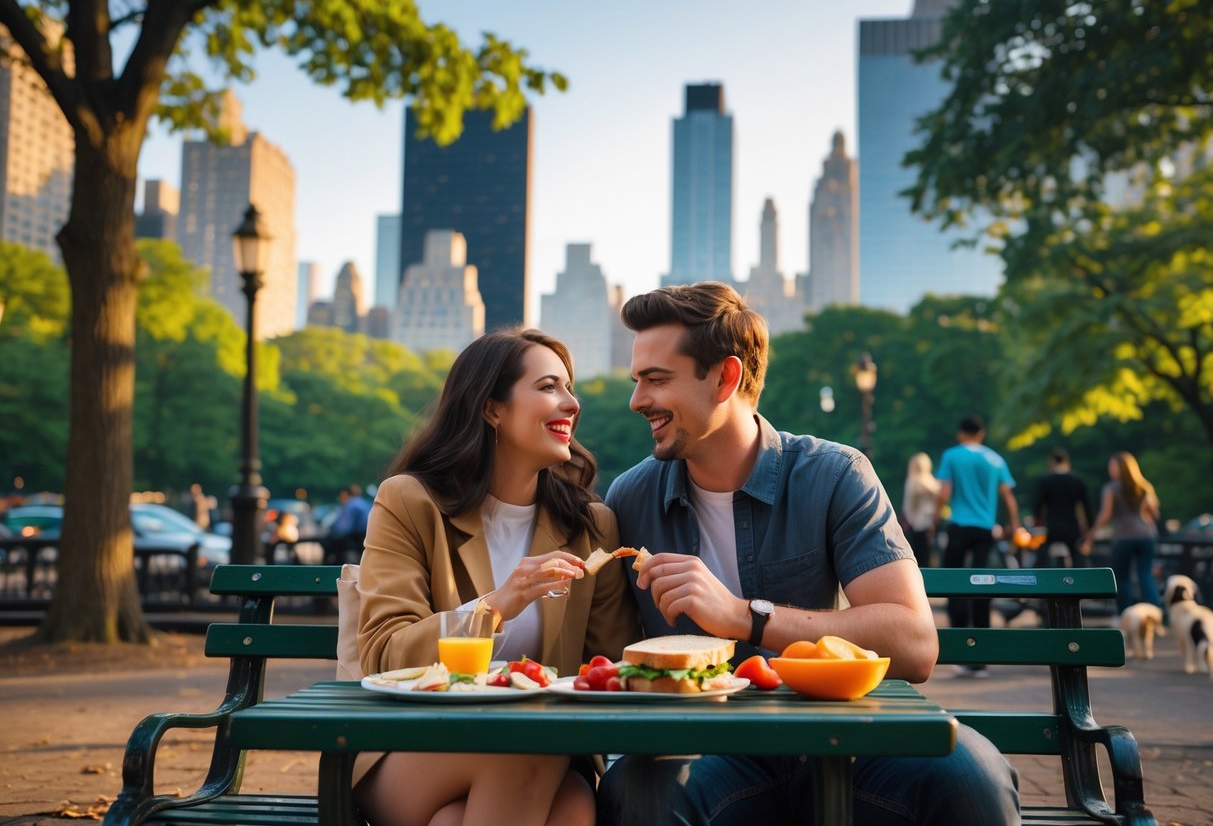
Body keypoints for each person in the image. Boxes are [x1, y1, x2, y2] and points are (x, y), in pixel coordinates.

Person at [598, 283, 1019, 826]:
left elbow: (915, 644)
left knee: (970, 776)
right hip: (709, 755)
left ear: (725, 377)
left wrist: (743, 615)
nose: (637, 400)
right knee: (637, 792)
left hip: (845, 740)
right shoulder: (630, 498)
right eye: (637, 380)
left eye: (656, 379)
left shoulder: (835, 474)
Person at [353, 328, 639, 826]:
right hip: (412, 743)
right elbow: (382, 652)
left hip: (543, 757)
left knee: (569, 810)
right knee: (534, 743)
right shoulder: (409, 502)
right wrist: (496, 605)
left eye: (570, 388)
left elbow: (606, 668)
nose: (571, 403)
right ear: (492, 410)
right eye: (549, 387)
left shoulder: (592, 526)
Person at [936, 415, 1020, 676]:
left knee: (954, 584)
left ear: (961, 433)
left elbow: (944, 493)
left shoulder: (952, 455)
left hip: (959, 525)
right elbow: (1008, 495)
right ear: (981, 433)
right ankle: (980, 656)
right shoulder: (995, 459)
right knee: (982, 584)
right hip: (985, 528)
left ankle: (961, 651)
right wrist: (1014, 524)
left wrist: (934, 519)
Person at [1082, 451, 1163, 614]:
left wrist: (1091, 532)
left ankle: (1126, 614)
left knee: (1122, 578)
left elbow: (1105, 514)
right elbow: (1154, 513)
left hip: (1124, 537)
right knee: (1145, 575)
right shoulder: (1144, 486)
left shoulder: (1111, 488)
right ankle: (1156, 613)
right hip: (1146, 536)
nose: (1110, 470)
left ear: (1119, 468)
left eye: (1112, 466)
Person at [1032, 448, 1092, 568]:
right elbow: (1086, 507)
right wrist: (1089, 528)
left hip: (1052, 525)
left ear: (1052, 462)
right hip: (1071, 525)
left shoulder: (1046, 482)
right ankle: (1081, 582)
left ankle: (1037, 579)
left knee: (1042, 556)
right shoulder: (1077, 481)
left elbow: (1038, 506)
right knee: (1077, 557)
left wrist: (1037, 523)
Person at [902, 452, 940, 568]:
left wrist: (907, 521)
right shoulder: (933, 483)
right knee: (929, 557)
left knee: (916, 559)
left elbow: (908, 506)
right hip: (931, 523)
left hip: (916, 524)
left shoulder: (912, 481)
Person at [324, 484, 371, 566]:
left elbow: (343, 528)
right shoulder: (365, 503)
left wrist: (330, 531)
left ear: (345, 495)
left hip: (356, 540)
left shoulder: (351, 505)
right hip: (365, 539)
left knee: (327, 543)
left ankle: (327, 567)